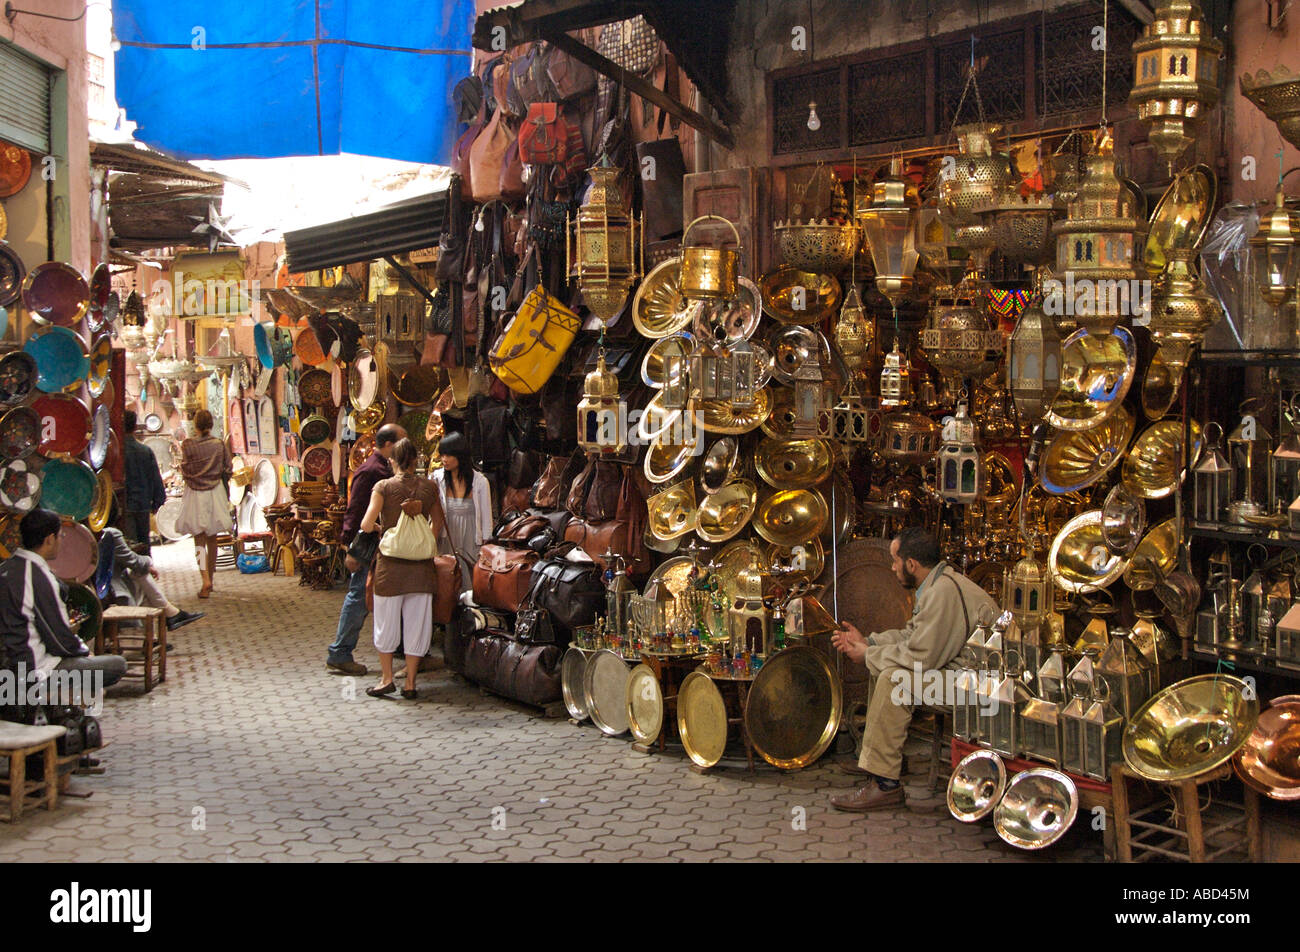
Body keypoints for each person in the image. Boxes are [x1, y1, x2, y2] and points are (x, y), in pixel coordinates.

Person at [828, 527, 997, 813]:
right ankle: (883, 762)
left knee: (894, 679)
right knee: (885, 670)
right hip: (958, 675)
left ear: (911, 564)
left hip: (977, 686)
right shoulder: (936, 584)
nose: (892, 568)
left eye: (895, 561)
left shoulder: (943, 590)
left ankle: (885, 785)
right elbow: (912, 637)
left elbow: (921, 657)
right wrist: (868, 642)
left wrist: (868, 654)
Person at [0, 509, 127, 690]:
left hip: (10, 665)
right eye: (60, 536)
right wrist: (83, 652)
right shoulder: (38, 578)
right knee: (117, 665)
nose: (60, 542)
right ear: (49, 540)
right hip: (32, 671)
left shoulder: (6, 568)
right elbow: (60, 639)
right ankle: (55, 701)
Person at [358, 437, 444, 700]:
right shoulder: (430, 488)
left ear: (392, 461)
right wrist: (419, 542)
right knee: (417, 625)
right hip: (421, 571)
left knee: (386, 623)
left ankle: (386, 679)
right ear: (416, 461)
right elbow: (438, 524)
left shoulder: (383, 487)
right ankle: (410, 682)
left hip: (390, 569)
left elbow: (365, 523)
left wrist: (381, 530)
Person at [328, 423, 407, 676]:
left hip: (381, 543)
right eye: (401, 441)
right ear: (388, 445)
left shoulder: (383, 469)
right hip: (367, 544)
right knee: (360, 596)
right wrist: (350, 546)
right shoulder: (370, 471)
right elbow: (355, 509)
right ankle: (340, 652)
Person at [102, 511, 205, 632]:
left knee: (141, 575)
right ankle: (168, 616)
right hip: (110, 588)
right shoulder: (110, 534)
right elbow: (134, 562)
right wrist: (149, 562)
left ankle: (168, 617)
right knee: (141, 574)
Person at [176, 409, 233, 599]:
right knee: (212, 537)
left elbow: (184, 469)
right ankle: (212, 579)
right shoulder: (219, 445)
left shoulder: (187, 445)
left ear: (195, 425)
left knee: (199, 539)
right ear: (211, 425)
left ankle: (204, 579)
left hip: (195, 493)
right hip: (215, 491)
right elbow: (228, 467)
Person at [430, 431, 492, 588]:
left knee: (469, 579)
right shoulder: (437, 479)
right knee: (446, 577)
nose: (444, 459)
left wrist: (486, 542)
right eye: (442, 455)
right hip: (446, 535)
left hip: (471, 538)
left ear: (461, 455)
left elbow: (486, 517)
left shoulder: (480, 482)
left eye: (449, 455)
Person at [121, 410, 166, 554]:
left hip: (125, 505)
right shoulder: (145, 451)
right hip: (143, 504)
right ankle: (145, 572)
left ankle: (133, 573)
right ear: (135, 427)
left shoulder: (117, 451)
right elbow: (155, 477)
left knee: (130, 545)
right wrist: (157, 501)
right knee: (143, 543)